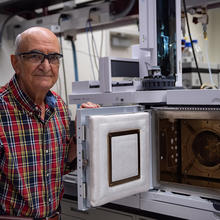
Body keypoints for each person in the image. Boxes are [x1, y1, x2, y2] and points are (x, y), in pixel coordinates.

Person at [0, 27, 99, 219]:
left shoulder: (59, 107)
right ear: (16, 63)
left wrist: (81, 135)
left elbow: (62, 166)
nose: (46, 66)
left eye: (53, 57)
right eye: (35, 56)